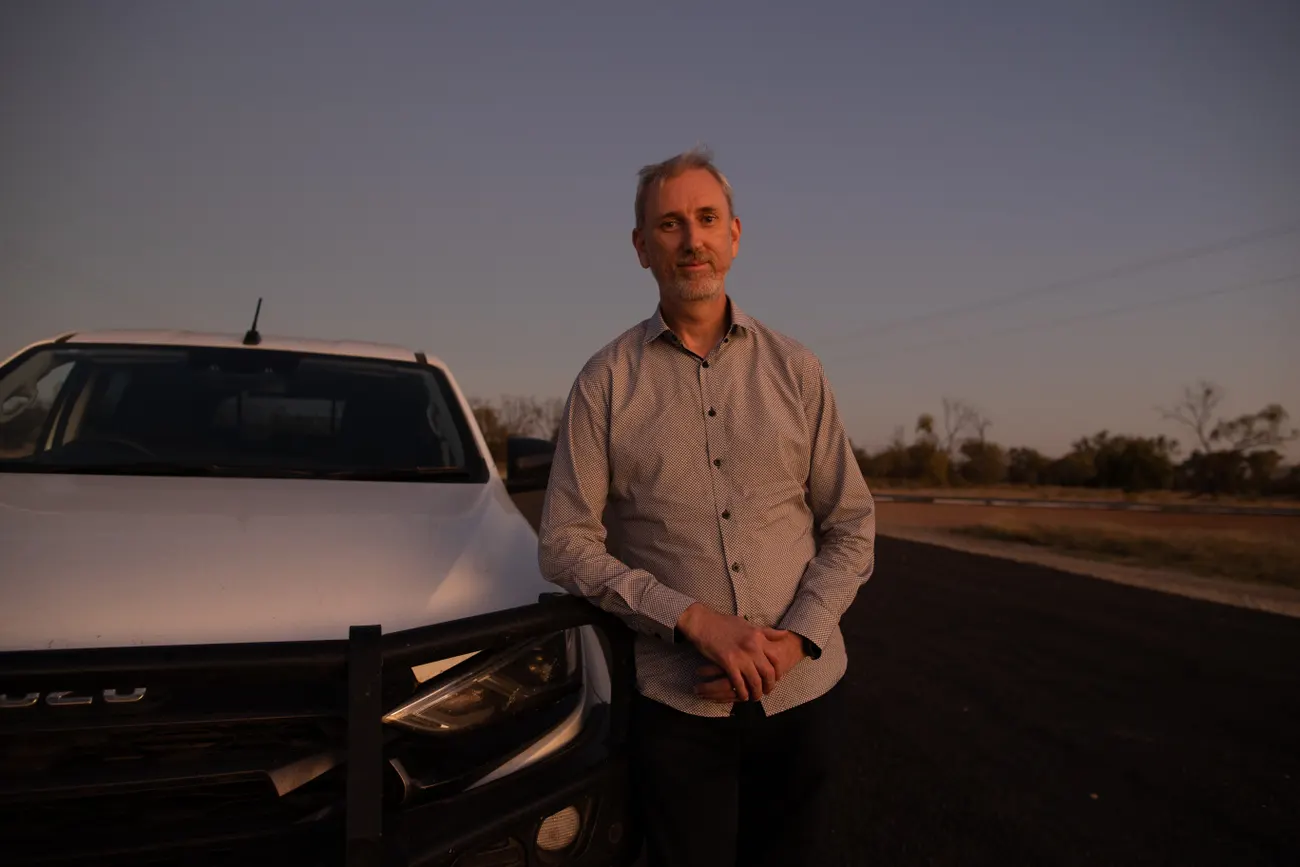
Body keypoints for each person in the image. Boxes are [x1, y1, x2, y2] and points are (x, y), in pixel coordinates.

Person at [537, 146, 876, 867]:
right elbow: (564, 541)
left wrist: (794, 640)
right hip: (679, 707)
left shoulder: (797, 370)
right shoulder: (604, 383)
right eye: (669, 224)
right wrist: (692, 620)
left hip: (805, 696)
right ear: (641, 247)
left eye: (706, 218)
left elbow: (852, 525)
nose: (691, 239)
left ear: (734, 234)